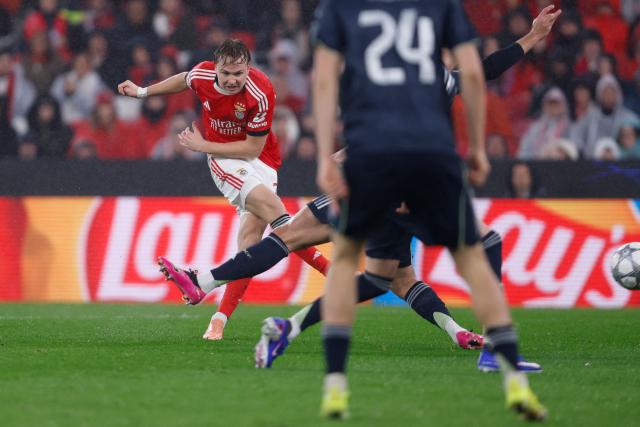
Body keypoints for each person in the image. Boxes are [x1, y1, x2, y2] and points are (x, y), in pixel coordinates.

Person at [311, 0, 547, 421]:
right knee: (474, 256)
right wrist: (476, 148)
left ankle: (335, 387)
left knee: (347, 259)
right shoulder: (438, 10)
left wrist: (325, 157)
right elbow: (477, 72)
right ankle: (513, 379)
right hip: (432, 153)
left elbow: (325, 79)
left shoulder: (341, 10)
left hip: (371, 154)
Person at [118, 39, 329, 338]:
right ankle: (333, 273)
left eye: (238, 74)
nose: (232, 80)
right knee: (275, 212)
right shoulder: (203, 75)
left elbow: (254, 146)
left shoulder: (262, 90)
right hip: (224, 159)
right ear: (216, 68)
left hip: (261, 158)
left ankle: (218, 318)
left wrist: (201, 145)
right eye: (226, 73)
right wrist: (142, 91)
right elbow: (184, 79)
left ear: (248, 69)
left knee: (252, 245)